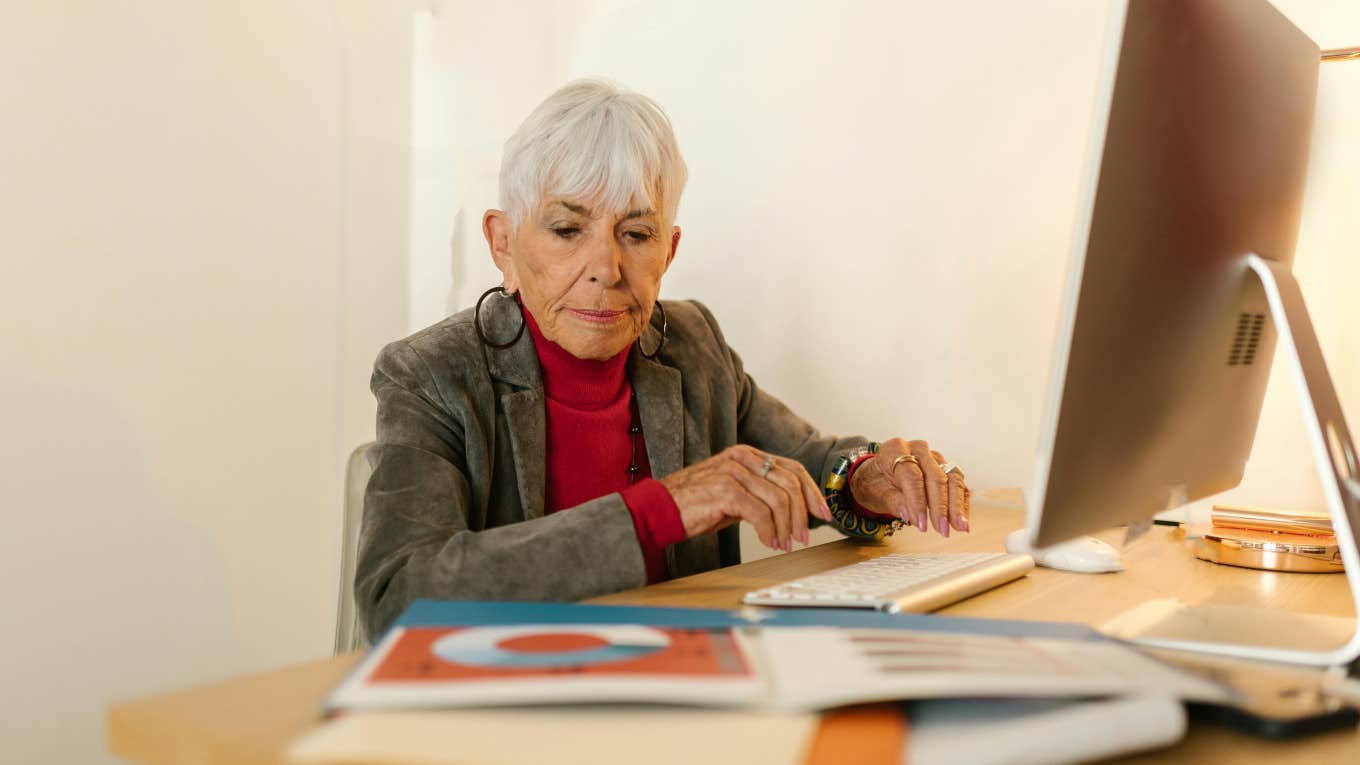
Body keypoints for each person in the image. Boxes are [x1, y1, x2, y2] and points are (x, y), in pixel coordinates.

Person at [355, 79, 971, 639]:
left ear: (669, 250)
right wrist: (662, 508)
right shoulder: (430, 373)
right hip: (515, 700)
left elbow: (811, 466)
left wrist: (867, 481)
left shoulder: (693, 343)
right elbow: (397, 595)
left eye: (636, 234)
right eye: (568, 230)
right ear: (503, 243)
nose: (605, 268)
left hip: (690, 686)